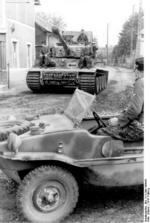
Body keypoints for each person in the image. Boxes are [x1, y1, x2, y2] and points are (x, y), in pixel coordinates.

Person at [97, 57, 144, 142]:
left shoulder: (140, 82)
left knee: (100, 132)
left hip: (140, 129)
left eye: (135, 68)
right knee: (109, 124)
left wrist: (119, 121)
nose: (134, 71)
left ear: (137, 69)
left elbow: (135, 110)